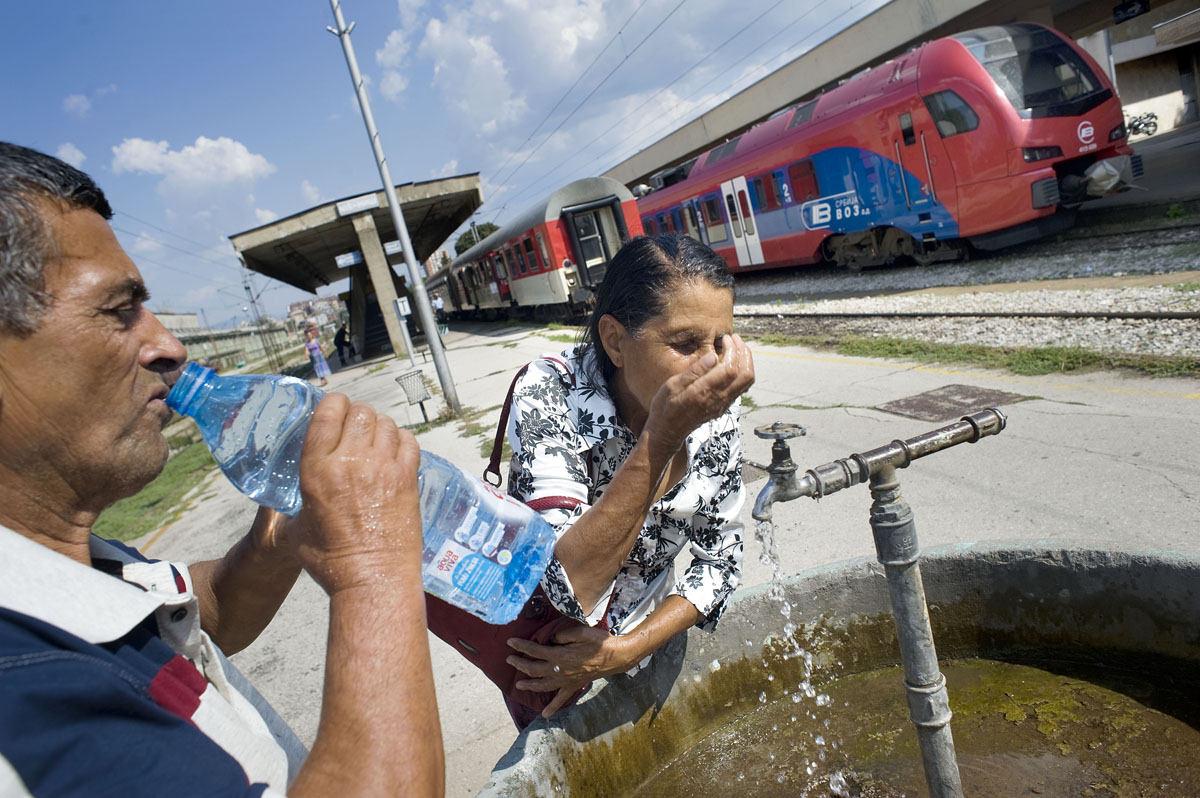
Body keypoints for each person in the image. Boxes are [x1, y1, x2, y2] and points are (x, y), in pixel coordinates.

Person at [0, 142, 443, 796]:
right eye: (120, 311)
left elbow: (198, 615)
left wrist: (278, 543)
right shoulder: (28, 707)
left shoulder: (71, 563)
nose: (168, 346)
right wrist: (373, 570)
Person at [502, 234, 755, 728]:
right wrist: (660, 440)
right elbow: (564, 587)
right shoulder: (550, 393)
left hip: (647, 641)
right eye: (684, 344)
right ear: (616, 340)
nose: (711, 364)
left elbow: (720, 561)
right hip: (550, 660)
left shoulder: (715, 410)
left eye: (721, 342)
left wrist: (624, 651)